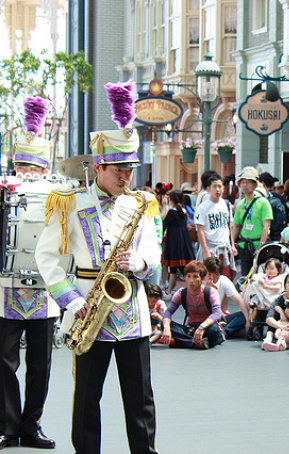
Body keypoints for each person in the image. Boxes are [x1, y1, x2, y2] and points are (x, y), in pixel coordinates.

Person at [35, 81, 160, 454]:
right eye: (119, 170)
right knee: (87, 399)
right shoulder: (68, 202)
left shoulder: (140, 204)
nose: (126, 177)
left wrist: (138, 262)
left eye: (130, 170)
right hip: (88, 306)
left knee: (140, 399)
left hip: (133, 310)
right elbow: (47, 258)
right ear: (98, 165)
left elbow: (152, 253)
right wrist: (71, 301)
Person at [0, 97, 57, 450]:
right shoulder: (5, 191)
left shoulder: (58, 194)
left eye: (35, 168)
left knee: (41, 364)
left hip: (45, 288)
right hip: (6, 288)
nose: (29, 172)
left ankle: (31, 424)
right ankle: (7, 425)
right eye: (23, 165)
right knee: (4, 362)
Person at [161, 260, 223, 349]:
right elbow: (168, 312)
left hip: (206, 328)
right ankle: (195, 343)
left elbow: (217, 314)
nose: (191, 281)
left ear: (202, 279)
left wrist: (202, 327)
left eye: (195, 277)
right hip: (190, 329)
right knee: (164, 324)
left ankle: (181, 342)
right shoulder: (182, 293)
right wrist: (166, 328)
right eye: (188, 276)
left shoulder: (210, 292)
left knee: (214, 330)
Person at [231, 167, 273, 276]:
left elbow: (266, 226)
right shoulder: (240, 204)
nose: (245, 185)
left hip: (259, 247)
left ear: (255, 184)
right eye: (243, 182)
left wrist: (260, 246)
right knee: (245, 278)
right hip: (244, 246)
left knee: (259, 277)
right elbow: (236, 226)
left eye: (249, 182)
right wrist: (232, 244)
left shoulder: (263, 202)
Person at [195, 174, 234, 277]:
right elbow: (200, 230)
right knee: (210, 279)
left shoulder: (226, 204)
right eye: (214, 186)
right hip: (211, 248)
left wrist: (232, 245)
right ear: (208, 189)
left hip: (225, 247)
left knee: (225, 279)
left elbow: (229, 226)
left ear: (223, 188)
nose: (217, 190)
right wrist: (205, 251)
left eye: (220, 186)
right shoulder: (203, 207)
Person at [203, 257, 250, 340]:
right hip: (204, 319)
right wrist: (211, 289)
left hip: (218, 318)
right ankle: (222, 332)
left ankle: (224, 333)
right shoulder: (200, 283)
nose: (213, 278)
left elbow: (239, 301)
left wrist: (247, 320)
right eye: (209, 274)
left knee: (242, 315)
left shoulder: (224, 280)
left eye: (216, 275)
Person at [161, 189, 195, 294]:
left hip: (174, 241)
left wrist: (164, 207)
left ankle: (169, 290)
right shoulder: (183, 211)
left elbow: (164, 224)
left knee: (173, 268)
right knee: (182, 268)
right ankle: (174, 289)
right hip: (184, 241)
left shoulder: (172, 212)